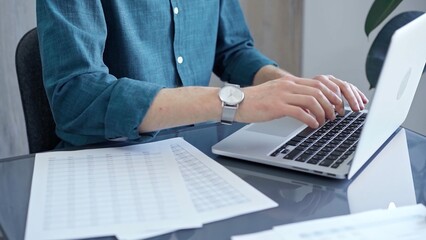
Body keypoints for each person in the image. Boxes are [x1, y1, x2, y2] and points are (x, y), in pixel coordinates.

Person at [36, 0, 368, 147]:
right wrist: (231, 101)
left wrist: (294, 88)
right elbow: (76, 96)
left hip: (197, 155)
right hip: (107, 163)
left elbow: (233, 50)